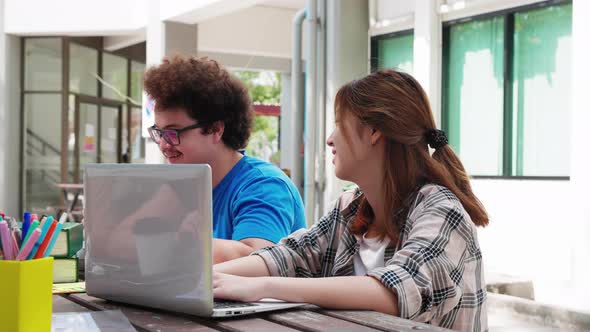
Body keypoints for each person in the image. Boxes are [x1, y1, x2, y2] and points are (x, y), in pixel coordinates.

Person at [214, 70, 489, 331]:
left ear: (374, 132)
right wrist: (204, 279)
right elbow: (290, 256)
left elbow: (397, 291)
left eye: (337, 124)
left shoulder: (441, 210)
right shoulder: (350, 207)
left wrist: (264, 287)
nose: (329, 139)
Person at [142, 55, 306, 263]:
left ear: (216, 129)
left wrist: (162, 241)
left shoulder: (264, 184)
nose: (164, 144)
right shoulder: (181, 185)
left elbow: (258, 258)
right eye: (159, 132)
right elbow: (125, 237)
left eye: (174, 132)